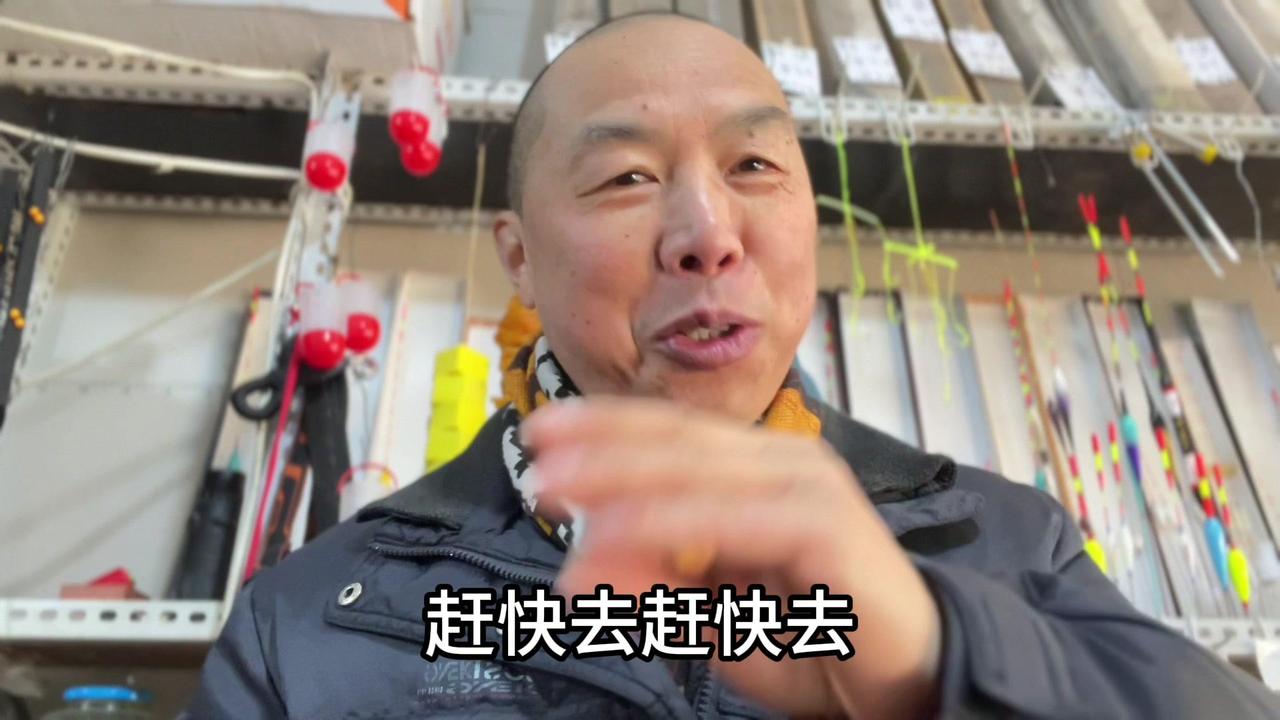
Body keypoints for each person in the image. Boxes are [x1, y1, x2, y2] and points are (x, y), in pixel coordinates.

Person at [189, 12, 1280, 719]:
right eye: (625, 178)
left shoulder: (1001, 543)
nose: (705, 233)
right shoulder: (317, 619)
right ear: (517, 257)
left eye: (753, 164)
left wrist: (938, 657)